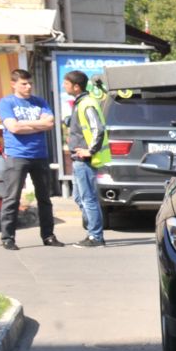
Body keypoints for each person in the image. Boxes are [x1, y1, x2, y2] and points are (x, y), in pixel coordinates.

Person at [0, 66, 62, 250]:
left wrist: (25, 123)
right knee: (12, 198)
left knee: (44, 199)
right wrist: (36, 125)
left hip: (39, 154)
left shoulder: (39, 102)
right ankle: (8, 238)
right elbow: (13, 128)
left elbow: (49, 123)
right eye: (24, 84)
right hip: (17, 155)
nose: (28, 87)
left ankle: (48, 235)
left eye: (30, 83)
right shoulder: (6, 103)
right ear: (13, 84)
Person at [61, 70, 108, 246]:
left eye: (66, 83)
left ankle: (96, 236)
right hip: (77, 159)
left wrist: (91, 150)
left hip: (85, 160)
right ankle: (92, 231)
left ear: (76, 86)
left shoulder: (86, 103)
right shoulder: (80, 103)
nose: (64, 86)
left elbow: (98, 128)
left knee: (88, 198)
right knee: (79, 198)